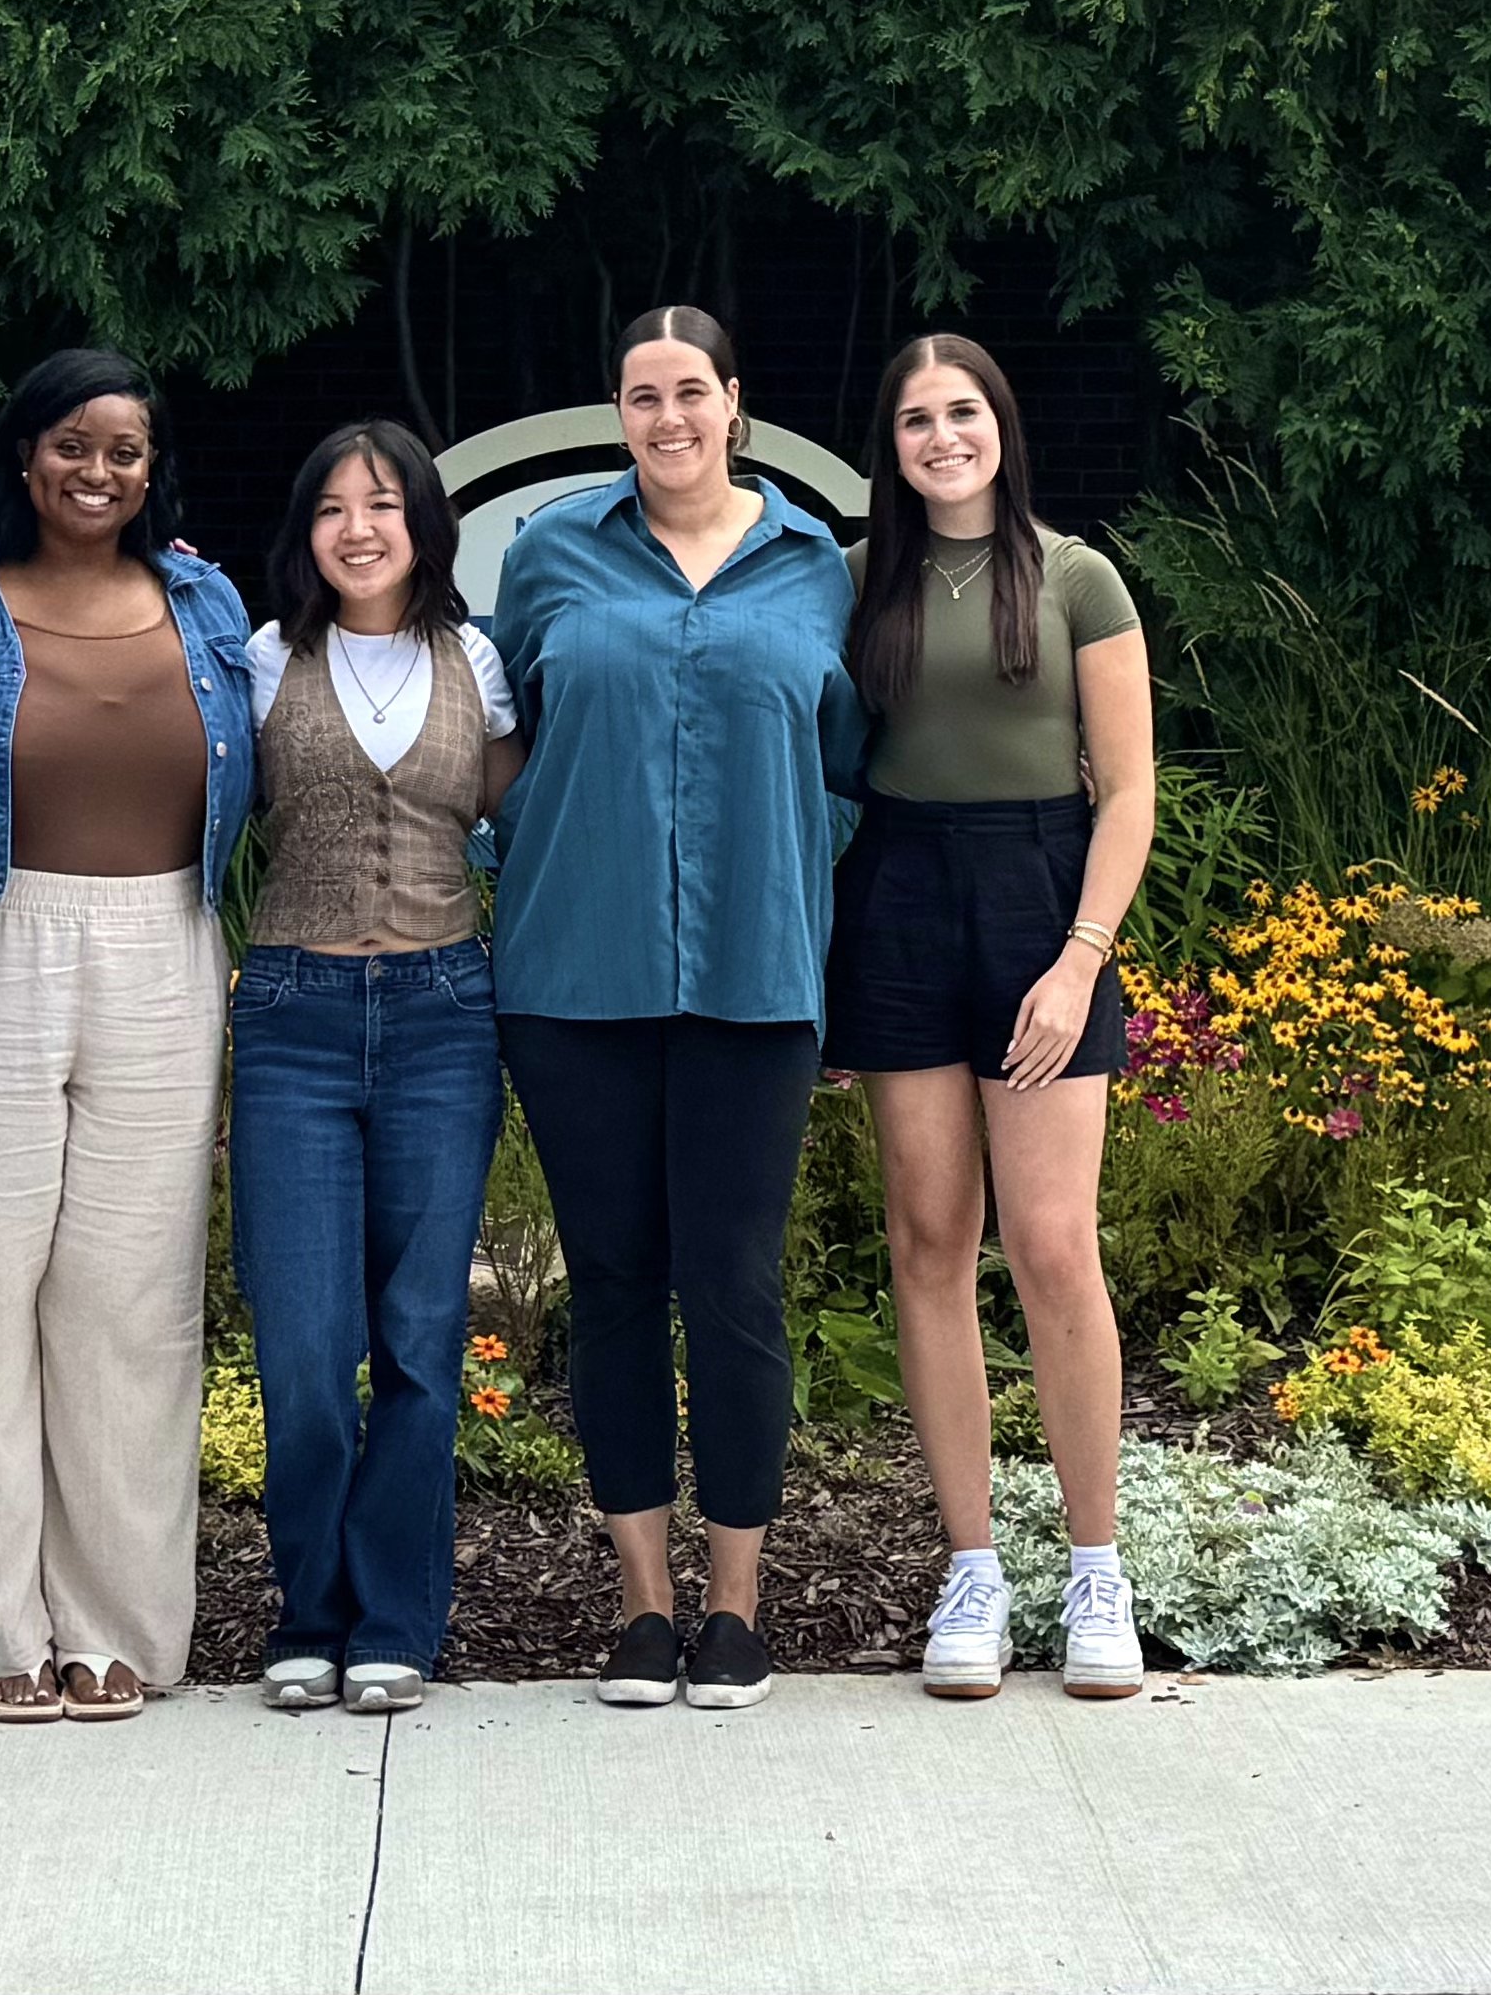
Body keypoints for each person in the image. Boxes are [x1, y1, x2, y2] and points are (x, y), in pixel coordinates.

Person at [489, 306, 861, 1712]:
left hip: (755, 981)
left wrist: (787, 874)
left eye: (690, 391)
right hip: (572, 979)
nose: (668, 418)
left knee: (736, 1285)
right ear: (619, 414)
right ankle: (644, 1607)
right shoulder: (550, 557)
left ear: (733, 403)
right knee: (612, 1285)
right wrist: (536, 854)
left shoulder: (812, 566)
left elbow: (843, 768)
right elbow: (503, 742)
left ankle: (736, 1608)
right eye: (643, 397)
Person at [0, 348, 255, 1723]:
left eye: (125, 451)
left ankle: (114, 1622)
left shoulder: (205, 599)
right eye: (72, 445)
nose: (96, 471)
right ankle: (4, 1625)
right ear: (24, 451)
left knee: (130, 1304)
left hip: (163, 948)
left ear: (152, 472)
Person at [826, 333, 1156, 1700]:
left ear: (1001, 425)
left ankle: (1095, 1571)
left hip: (1039, 900)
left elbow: (1127, 792)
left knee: (1053, 1244)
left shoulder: (1076, 576)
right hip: (898, 897)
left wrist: (1078, 961)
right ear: (891, 446)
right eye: (916, 419)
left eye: (962, 411)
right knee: (928, 1242)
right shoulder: (856, 580)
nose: (942, 436)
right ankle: (972, 1569)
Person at [232, 419, 527, 1716]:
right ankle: (309, 1611)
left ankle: (396, 1618)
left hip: (441, 1014)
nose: (358, 529)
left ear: (423, 526)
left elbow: (525, 813)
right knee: (304, 1345)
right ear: (305, 531)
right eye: (332, 507)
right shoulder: (261, 660)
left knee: (418, 1336)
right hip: (290, 1016)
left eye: (384, 505)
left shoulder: (476, 660)